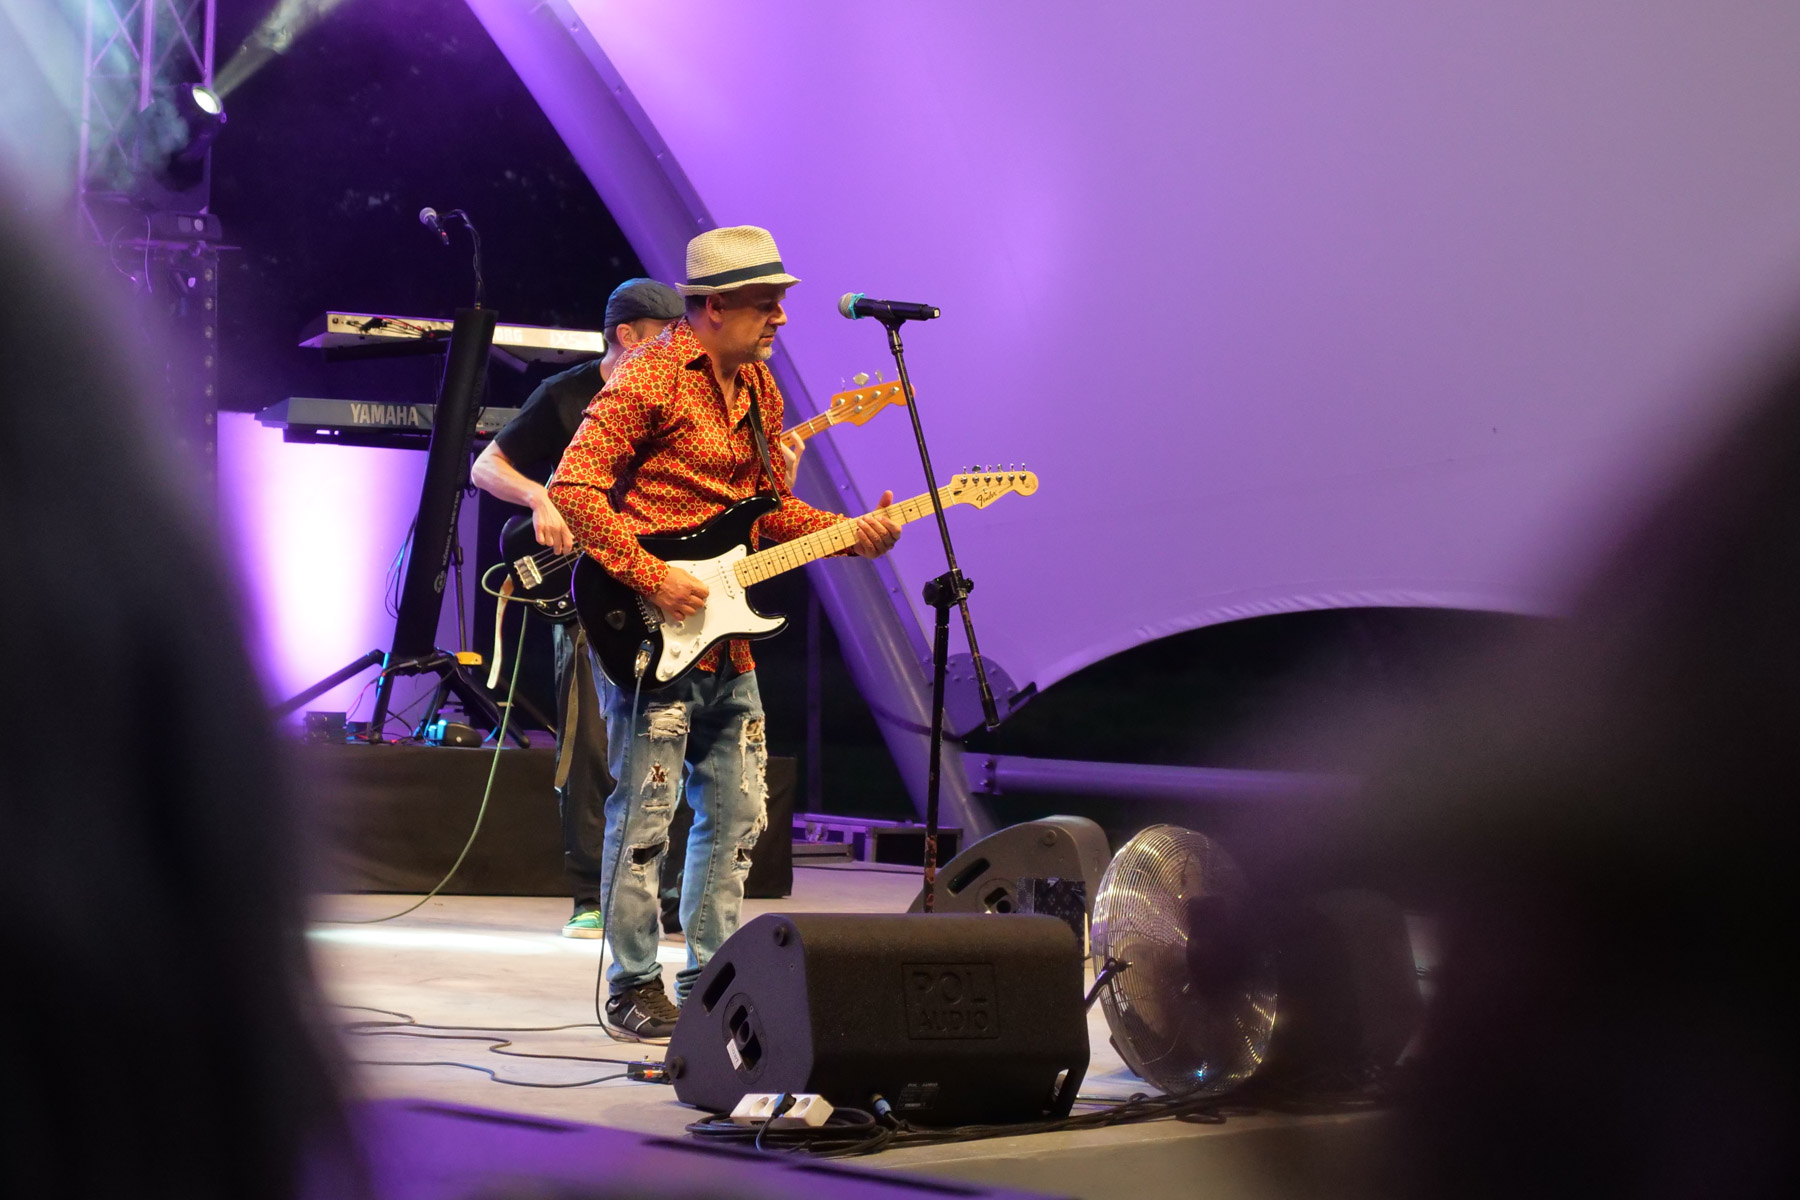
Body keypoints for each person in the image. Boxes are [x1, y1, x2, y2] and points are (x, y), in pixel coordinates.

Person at [547, 225, 902, 1043]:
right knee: (647, 815)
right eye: (764, 302)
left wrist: (850, 533)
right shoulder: (651, 376)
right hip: (649, 627)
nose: (781, 317)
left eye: (780, 301)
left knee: (738, 815)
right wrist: (649, 575)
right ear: (710, 307)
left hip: (727, 635)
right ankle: (633, 983)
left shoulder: (760, 390)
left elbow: (764, 512)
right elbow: (573, 487)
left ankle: (712, 980)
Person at [472, 280, 806, 941]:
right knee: (595, 752)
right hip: (602, 591)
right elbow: (488, 466)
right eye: (665, 330)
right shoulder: (575, 393)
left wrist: (776, 497)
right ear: (628, 334)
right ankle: (591, 901)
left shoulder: (734, 388)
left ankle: (683, 911)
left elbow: (731, 503)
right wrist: (542, 498)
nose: (680, 341)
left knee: (710, 784)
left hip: (688, 601)